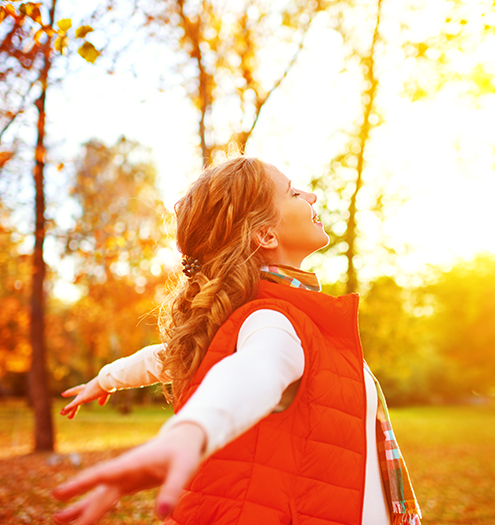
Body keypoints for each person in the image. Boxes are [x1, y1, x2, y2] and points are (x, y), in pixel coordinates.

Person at [52, 157, 422, 525]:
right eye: (293, 192)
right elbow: (252, 374)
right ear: (266, 235)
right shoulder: (273, 319)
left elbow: (165, 356)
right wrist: (191, 431)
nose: (310, 196)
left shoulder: (263, 317)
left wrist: (105, 379)